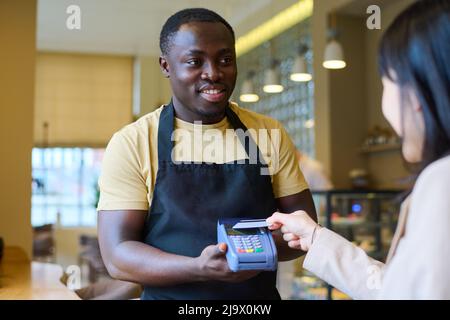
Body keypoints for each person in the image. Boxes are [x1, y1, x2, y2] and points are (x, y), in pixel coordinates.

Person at [97, 8, 317, 300]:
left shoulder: (268, 135)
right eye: (194, 61)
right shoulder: (133, 142)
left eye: (225, 60)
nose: (213, 73)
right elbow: (117, 254)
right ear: (166, 66)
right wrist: (198, 267)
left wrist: (245, 252)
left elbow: (302, 231)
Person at [267, 0, 450, 299]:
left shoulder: (442, 181)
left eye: (386, 83)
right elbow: (393, 288)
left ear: (416, 93)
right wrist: (314, 237)